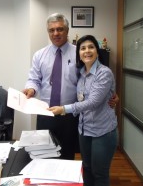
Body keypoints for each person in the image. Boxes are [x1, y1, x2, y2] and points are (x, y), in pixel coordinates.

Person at [23, 13, 118, 160]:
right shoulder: (39, 55)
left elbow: (94, 78)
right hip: (45, 113)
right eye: (51, 30)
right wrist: (31, 89)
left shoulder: (79, 53)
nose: (56, 33)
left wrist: (111, 94)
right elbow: (34, 79)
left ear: (67, 30)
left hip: (70, 114)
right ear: (48, 32)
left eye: (60, 29)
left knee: (66, 156)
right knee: (42, 155)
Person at [48, 35, 118, 186]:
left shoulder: (104, 73)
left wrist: (63, 109)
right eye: (83, 48)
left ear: (97, 51)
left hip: (103, 131)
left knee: (99, 173)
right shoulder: (81, 73)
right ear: (79, 53)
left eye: (91, 47)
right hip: (84, 129)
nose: (87, 51)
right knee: (86, 168)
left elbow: (93, 102)